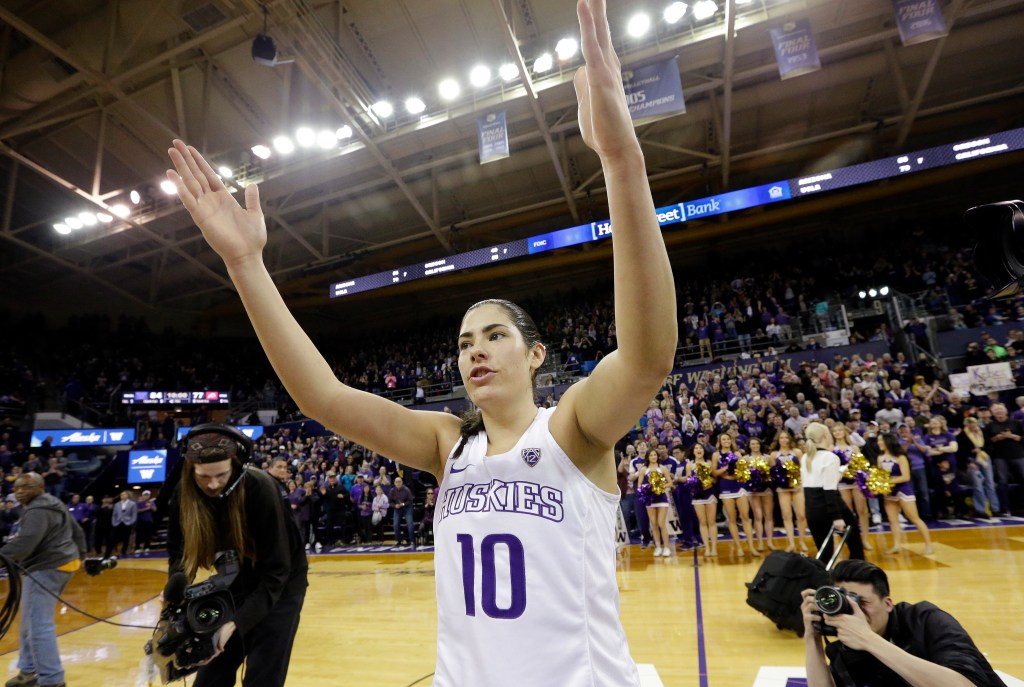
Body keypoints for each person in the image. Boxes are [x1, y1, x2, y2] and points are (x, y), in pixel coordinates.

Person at [165, 0, 675, 681]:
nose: (475, 351)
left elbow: (647, 357)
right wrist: (245, 265)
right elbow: (321, 395)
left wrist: (620, 159)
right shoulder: (445, 444)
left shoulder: (575, 428)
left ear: (535, 354)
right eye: (465, 342)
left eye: (495, 335)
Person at [166, 424, 308, 687]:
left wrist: (234, 624)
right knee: (209, 678)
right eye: (203, 477)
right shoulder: (182, 495)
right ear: (189, 470)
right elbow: (178, 555)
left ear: (238, 464)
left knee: (262, 677)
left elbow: (277, 572)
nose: (213, 484)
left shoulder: (262, 489)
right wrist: (176, 605)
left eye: (221, 475)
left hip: (281, 588)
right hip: (233, 585)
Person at [801, 559, 1006, 687]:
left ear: (888, 603)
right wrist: (812, 638)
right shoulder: (847, 644)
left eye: (862, 602)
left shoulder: (926, 620)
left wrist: (869, 639)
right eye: (847, 603)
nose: (856, 612)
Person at [1, 472, 86, 687]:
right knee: (29, 622)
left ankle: (52, 679)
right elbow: (77, 531)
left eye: (26, 487)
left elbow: (25, 543)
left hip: (46, 568)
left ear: (41, 487)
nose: (20, 492)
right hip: (63, 564)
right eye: (17, 488)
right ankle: (29, 671)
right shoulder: (54, 503)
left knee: (39, 625)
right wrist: (82, 556)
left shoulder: (38, 509)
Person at [801, 422, 864, 562]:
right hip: (831, 505)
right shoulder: (830, 457)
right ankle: (856, 579)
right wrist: (837, 517)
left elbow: (817, 481)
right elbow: (829, 490)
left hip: (812, 509)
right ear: (825, 436)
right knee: (856, 547)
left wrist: (841, 470)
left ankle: (822, 582)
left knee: (824, 555)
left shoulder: (806, 457)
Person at [876, 433, 934, 555]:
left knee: (914, 519)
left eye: (881, 440)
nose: (879, 443)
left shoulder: (901, 457)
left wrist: (888, 481)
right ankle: (897, 545)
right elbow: (880, 475)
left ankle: (928, 545)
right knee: (893, 521)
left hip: (903, 490)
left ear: (888, 441)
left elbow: (906, 477)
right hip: (889, 491)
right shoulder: (880, 458)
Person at [637, 448, 673, 557]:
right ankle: (657, 547)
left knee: (662, 523)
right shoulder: (644, 469)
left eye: (655, 455)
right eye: (651, 455)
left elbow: (670, 483)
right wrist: (647, 488)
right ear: (648, 457)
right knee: (654, 524)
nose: (653, 457)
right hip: (650, 499)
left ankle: (666, 547)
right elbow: (639, 485)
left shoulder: (662, 468)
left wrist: (660, 486)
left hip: (661, 498)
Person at [109, 490, 137, 557]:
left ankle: (124, 551)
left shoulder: (132, 504)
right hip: (118, 523)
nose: (122, 496)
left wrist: (130, 522)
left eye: (124, 494)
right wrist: (114, 523)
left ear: (127, 496)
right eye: (121, 495)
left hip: (127, 523)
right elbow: (114, 515)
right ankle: (114, 551)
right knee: (114, 538)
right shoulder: (116, 504)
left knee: (126, 538)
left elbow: (134, 515)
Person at [389, 476, 415, 548]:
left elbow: (410, 500)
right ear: (394, 483)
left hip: (407, 507)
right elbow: (390, 502)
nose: (398, 483)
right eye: (396, 482)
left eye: (399, 481)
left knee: (410, 524)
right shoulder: (392, 491)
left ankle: (412, 541)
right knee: (395, 524)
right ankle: (398, 541)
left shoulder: (406, 490)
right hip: (397, 508)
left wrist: (403, 504)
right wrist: (395, 505)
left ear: (402, 482)